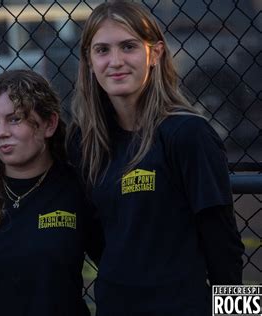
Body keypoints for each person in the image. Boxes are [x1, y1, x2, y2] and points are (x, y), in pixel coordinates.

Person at [67, 2, 245, 315]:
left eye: (129, 46)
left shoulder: (189, 133)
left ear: (156, 54)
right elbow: (98, 240)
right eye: (103, 50)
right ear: (89, 61)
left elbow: (225, 248)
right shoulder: (85, 142)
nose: (116, 61)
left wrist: (239, 314)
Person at [0, 69, 102, 316]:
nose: (1, 132)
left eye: (15, 119)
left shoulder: (78, 190)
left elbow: (118, 264)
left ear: (49, 124)